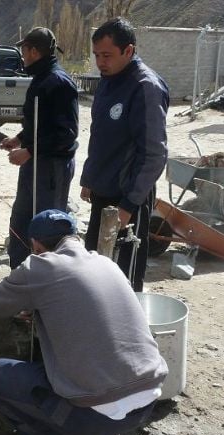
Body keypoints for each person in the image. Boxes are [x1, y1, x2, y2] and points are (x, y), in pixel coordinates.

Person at [0, 209, 168, 435]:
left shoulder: (39, 266)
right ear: (75, 238)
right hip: (148, 399)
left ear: (36, 246)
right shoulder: (106, 263)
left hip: (94, 415)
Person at [79, 18, 169, 292]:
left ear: (128, 51)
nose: (100, 62)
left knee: (123, 275)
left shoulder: (145, 87)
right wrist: (89, 178)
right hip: (102, 192)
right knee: (96, 263)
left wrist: (128, 205)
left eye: (107, 55)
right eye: (96, 55)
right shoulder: (107, 82)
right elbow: (100, 135)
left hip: (128, 198)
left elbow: (154, 154)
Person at [0, 27, 79, 268]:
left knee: (47, 226)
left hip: (52, 168)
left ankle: (47, 275)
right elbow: (40, 125)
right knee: (22, 219)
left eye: (24, 51)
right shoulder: (41, 79)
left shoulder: (59, 83)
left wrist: (29, 151)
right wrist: (19, 139)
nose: (23, 57)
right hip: (35, 164)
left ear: (34, 51)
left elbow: (66, 134)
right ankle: (21, 272)